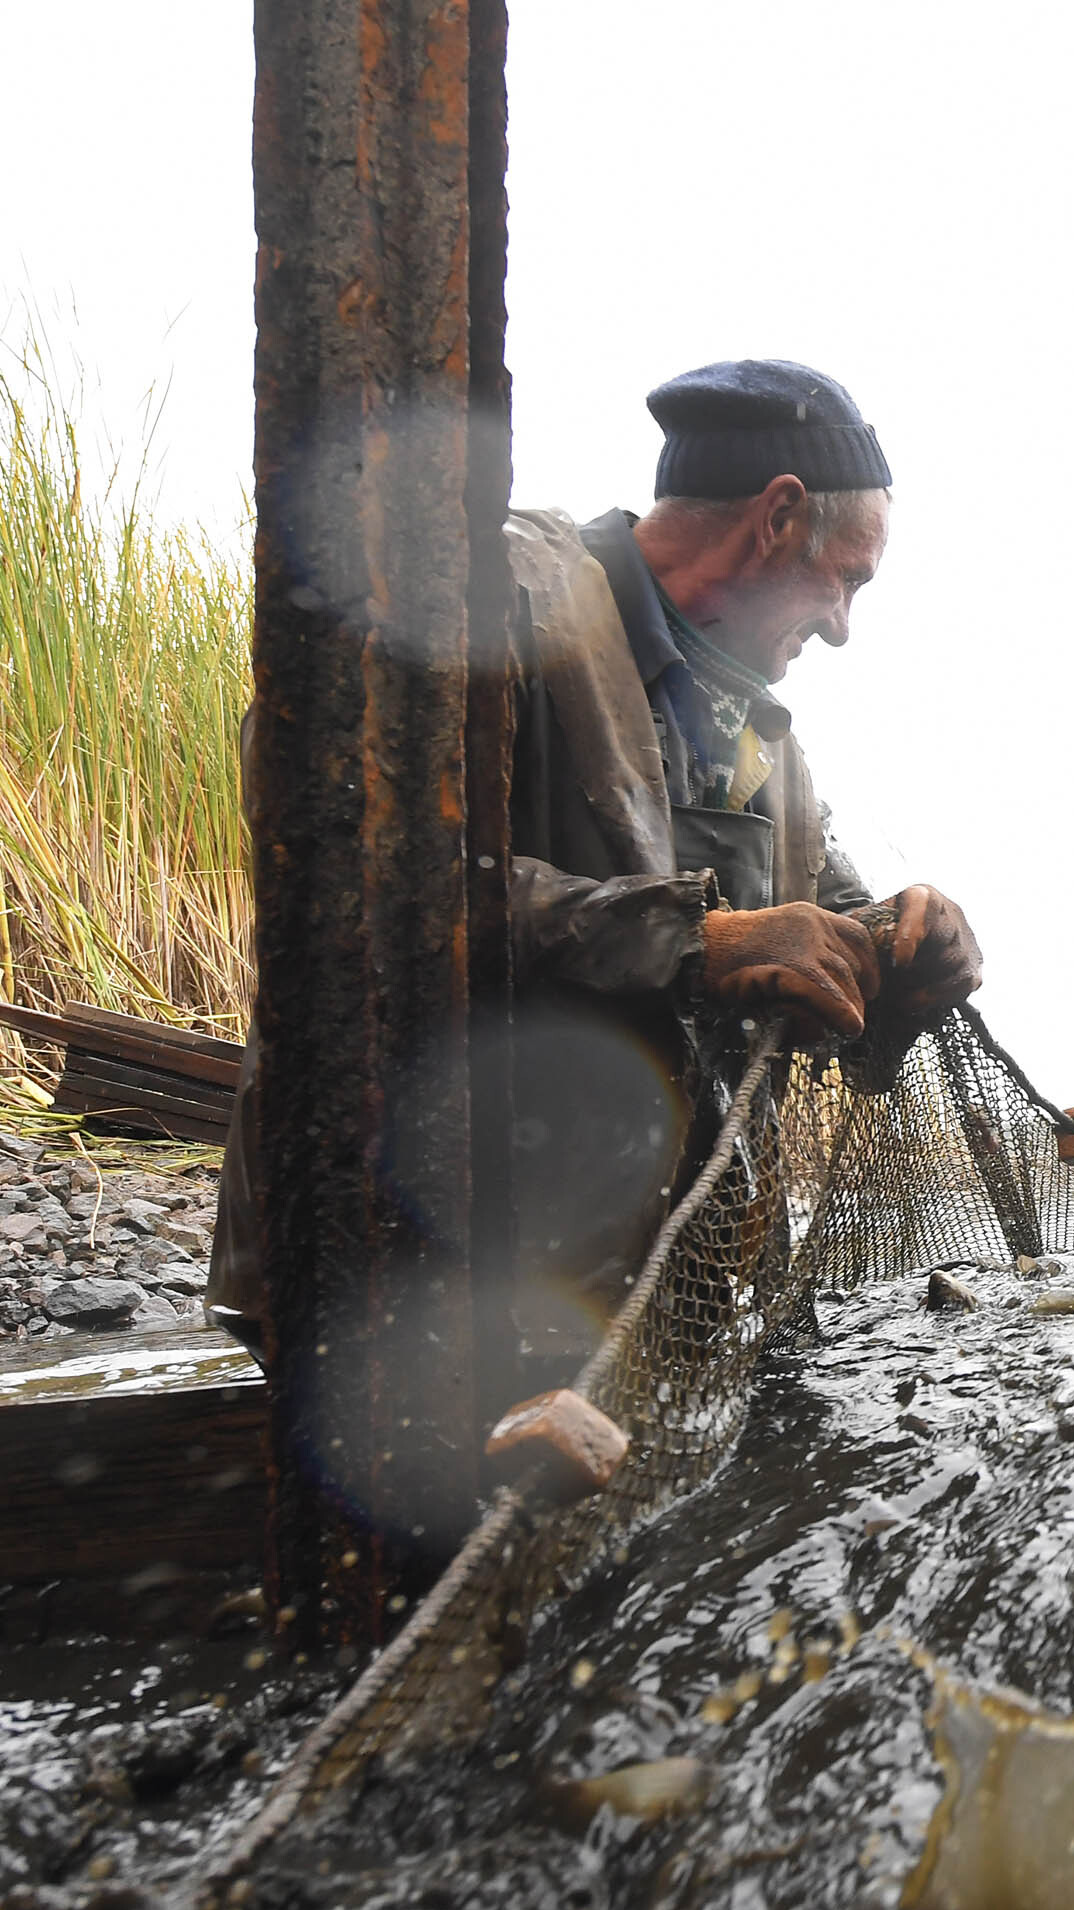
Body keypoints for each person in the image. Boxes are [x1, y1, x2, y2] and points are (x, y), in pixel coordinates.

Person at [211, 359, 984, 1370]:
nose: (842, 627)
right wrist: (694, 941)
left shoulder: (762, 734)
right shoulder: (487, 588)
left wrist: (911, 941)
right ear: (779, 517)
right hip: (396, 1278)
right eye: (850, 579)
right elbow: (347, 880)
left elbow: (825, 926)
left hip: (620, 1302)